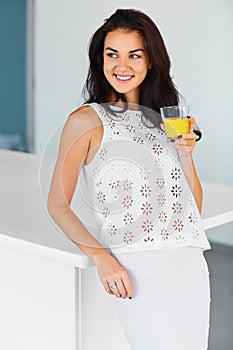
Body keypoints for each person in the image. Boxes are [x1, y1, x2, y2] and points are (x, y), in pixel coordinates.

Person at [47, 8, 211, 349]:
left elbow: (191, 209)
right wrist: (101, 257)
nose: (122, 66)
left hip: (190, 267)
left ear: (150, 61)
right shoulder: (86, 121)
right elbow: (57, 204)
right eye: (112, 55)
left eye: (134, 55)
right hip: (139, 271)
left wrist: (185, 154)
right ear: (100, 59)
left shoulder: (163, 120)